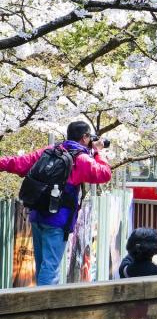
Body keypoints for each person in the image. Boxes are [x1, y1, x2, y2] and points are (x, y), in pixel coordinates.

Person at [0, 121, 112, 286]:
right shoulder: (81, 159)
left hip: (37, 215)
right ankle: (46, 309)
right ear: (85, 137)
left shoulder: (50, 151)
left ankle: (39, 305)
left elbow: (18, 163)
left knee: (43, 267)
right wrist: (97, 152)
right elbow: (104, 174)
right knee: (50, 269)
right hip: (58, 220)